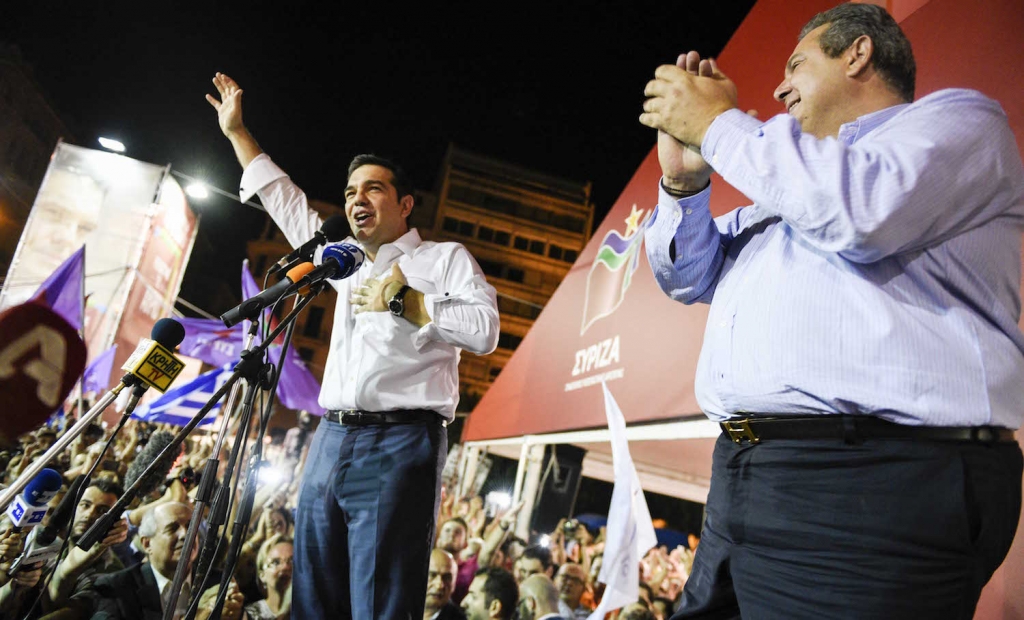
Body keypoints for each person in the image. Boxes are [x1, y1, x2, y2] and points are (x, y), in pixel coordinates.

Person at [640, 2, 1023, 618]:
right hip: (743, 478)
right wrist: (685, 181)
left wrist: (719, 122)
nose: (778, 85)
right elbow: (686, 275)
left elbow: (860, 212)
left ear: (858, 53)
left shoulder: (959, 123)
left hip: (872, 487)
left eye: (796, 64)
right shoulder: (789, 189)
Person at [207, 72, 500, 620]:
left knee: (379, 597)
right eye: (349, 192)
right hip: (330, 437)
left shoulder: (442, 261)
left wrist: (409, 303)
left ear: (405, 203)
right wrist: (237, 133)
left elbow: (485, 330)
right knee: (313, 591)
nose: (356, 199)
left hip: (399, 440)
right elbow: (286, 204)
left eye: (373, 188)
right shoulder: (342, 260)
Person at [74, 502, 246, 620]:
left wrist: (237, 615)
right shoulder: (116, 589)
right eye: (172, 529)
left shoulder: (217, 583)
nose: (185, 535)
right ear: (147, 543)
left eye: (190, 527)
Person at [244, 534, 294, 620]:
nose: (285, 567)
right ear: (262, 575)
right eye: (276, 562)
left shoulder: (309, 611)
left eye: (292, 561)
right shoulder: (250, 614)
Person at [425, 548, 465, 620]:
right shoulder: (401, 607)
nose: (439, 585)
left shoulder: (459, 618)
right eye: (432, 575)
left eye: (447, 578)